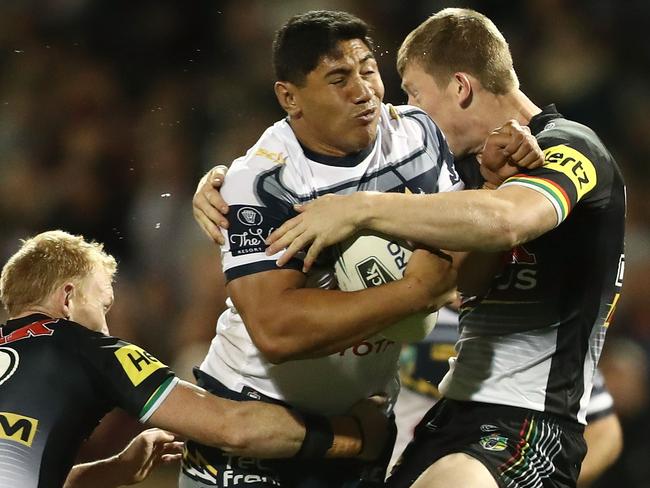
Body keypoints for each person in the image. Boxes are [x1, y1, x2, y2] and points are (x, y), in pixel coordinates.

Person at [261, 8, 626, 488]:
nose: (409, 110)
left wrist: (360, 208)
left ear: (460, 88)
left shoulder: (570, 147)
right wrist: (228, 183)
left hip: (530, 420)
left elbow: (506, 221)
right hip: (452, 414)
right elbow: (465, 281)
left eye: (414, 93)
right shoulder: (467, 174)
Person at [185, 9, 541, 488]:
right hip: (258, 422)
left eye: (369, 70)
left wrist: (499, 179)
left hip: (363, 425)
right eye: (338, 78)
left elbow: (468, 267)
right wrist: (415, 293)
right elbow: (277, 331)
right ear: (290, 97)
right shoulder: (264, 182)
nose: (364, 91)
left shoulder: (417, 136)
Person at [0, 230, 389, 488]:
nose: (105, 328)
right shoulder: (89, 349)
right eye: (103, 306)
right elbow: (233, 428)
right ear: (68, 299)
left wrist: (114, 469)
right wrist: (355, 436)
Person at [390, 307, 623, 487]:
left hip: (474, 468)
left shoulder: (537, 331)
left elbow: (606, 432)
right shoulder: (405, 301)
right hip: (392, 464)